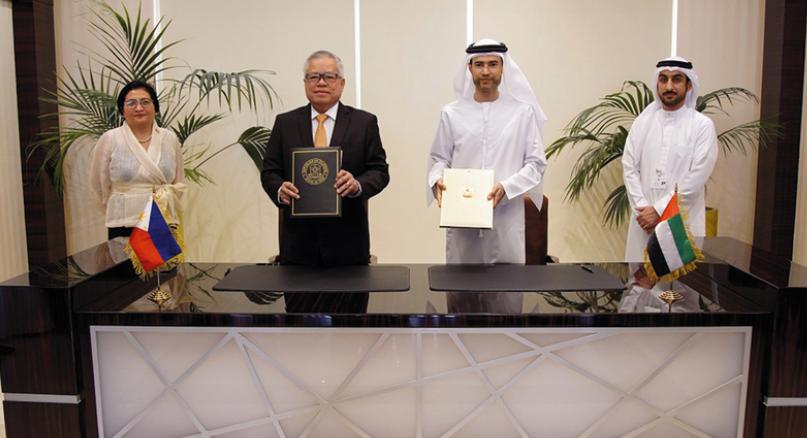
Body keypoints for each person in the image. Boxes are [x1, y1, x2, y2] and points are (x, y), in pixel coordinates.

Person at [427, 38, 547, 314]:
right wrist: (437, 180)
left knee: (507, 305)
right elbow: (438, 158)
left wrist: (507, 187)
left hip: (506, 219)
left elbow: (536, 164)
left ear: (503, 68)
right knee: (461, 302)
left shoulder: (522, 113)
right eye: (479, 65)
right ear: (469, 68)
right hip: (462, 225)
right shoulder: (451, 113)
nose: (485, 71)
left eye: (493, 64)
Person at [261, 50, 390, 267]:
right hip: (297, 244)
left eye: (329, 76)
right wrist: (279, 189)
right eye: (314, 77)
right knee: (297, 292)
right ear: (305, 83)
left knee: (351, 292)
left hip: (348, 242)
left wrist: (357, 185)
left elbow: (379, 171)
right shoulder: (285, 123)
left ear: (341, 83)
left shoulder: (364, 122)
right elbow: (269, 172)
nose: (321, 82)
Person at [620, 56, 718, 312]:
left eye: (677, 79)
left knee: (679, 298)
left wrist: (659, 210)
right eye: (663, 79)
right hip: (643, 223)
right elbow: (629, 166)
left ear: (689, 85)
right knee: (638, 291)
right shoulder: (643, 123)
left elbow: (697, 177)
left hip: (681, 225)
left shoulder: (701, 126)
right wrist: (643, 209)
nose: (669, 86)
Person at [90, 80, 185, 240]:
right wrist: (117, 206)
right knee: (122, 257)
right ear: (122, 110)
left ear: (155, 107)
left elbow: (179, 180)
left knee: (163, 258)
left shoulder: (169, 138)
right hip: (123, 221)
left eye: (145, 102)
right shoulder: (110, 138)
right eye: (131, 103)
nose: (139, 108)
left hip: (163, 218)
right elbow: (98, 184)